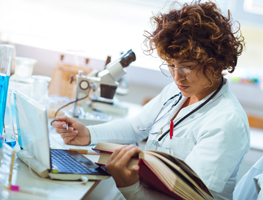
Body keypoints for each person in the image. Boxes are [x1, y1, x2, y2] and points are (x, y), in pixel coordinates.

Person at [52, 0, 249, 199]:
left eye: (186, 67)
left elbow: (190, 197)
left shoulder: (226, 122)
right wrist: (88, 134)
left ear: (215, 62)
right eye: (171, 65)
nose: (177, 77)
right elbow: (135, 128)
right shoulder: (177, 91)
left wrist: (130, 187)